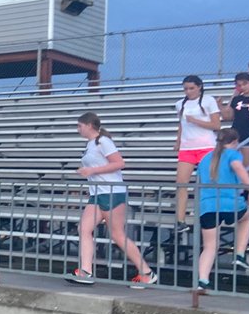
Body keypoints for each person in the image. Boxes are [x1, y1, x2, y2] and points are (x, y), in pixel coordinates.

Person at [66, 113, 157, 288]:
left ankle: (146, 272)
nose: (78, 129)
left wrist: (92, 171)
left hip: (111, 191)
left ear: (89, 125)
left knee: (117, 234)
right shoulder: (91, 144)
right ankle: (86, 271)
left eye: (80, 126)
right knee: (84, 228)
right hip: (98, 192)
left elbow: (119, 163)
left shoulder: (104, 142)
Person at [194, 129, 249, 294]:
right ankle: (240, 254)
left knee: (209, 246)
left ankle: (202, 281)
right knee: (246, 219)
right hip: (230, 202)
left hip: (207, 205)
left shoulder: (206, 158)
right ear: (235, 142)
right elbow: (238, 168)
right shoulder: (233, 155)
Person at [173, 75, 221, 233]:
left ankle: (211, 214)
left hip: (206, 145)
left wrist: (196, 121)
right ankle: (180, 219)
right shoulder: (180, 104)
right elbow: (181, 124)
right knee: (181, 183)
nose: (188, 91)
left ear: (199, 87)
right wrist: (178, 140)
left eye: (191, 88)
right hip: (187, 147)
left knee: (208, 182)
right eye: (186, 89)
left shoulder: (208, 100)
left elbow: (216, 124)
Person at [219, 72, 249, 169]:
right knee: (231, 166)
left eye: (245, 84)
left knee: (246, 167)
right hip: (235, 135)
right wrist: (220, 106)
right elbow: (228, 117)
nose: (242, 87)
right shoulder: (236, 99)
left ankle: (247, 184)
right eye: (239, 85)